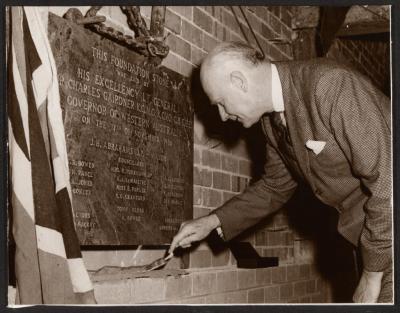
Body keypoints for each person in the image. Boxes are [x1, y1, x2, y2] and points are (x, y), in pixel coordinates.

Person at [168, 41, 392, 303]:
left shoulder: (330, 85)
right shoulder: (270, 124)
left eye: (221, 102)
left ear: (239, 81)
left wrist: (372, 274)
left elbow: (389, 181)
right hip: (374, 238)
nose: (223, 116)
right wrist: (211, 221)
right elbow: (275, 187)